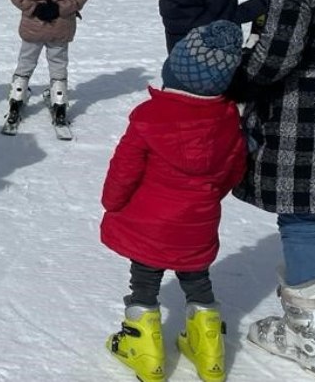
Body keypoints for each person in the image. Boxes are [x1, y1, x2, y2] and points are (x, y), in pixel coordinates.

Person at [101, 21, 247, 382]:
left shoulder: (149, 117)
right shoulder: (228, 120)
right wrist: (209, 197)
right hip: (197, 226)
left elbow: (124, 168)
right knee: (197, 280)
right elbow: (233, 169)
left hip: (147, 225)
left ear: (175, 70)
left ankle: (145, 351)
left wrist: (112, 202)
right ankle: (209, 351)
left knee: (145, 281)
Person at [231, 0, 315, 377]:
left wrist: (237, 79)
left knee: (308, 216)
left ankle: (309, 335)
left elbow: (277, 54)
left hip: (309, 109)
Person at [5, 0, 92, 125]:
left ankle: (17, 96)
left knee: (26, 60)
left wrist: (33, 7)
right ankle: (59, 98)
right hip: (60, 25)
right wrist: (61, 8)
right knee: (58, 62)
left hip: (32, 24)